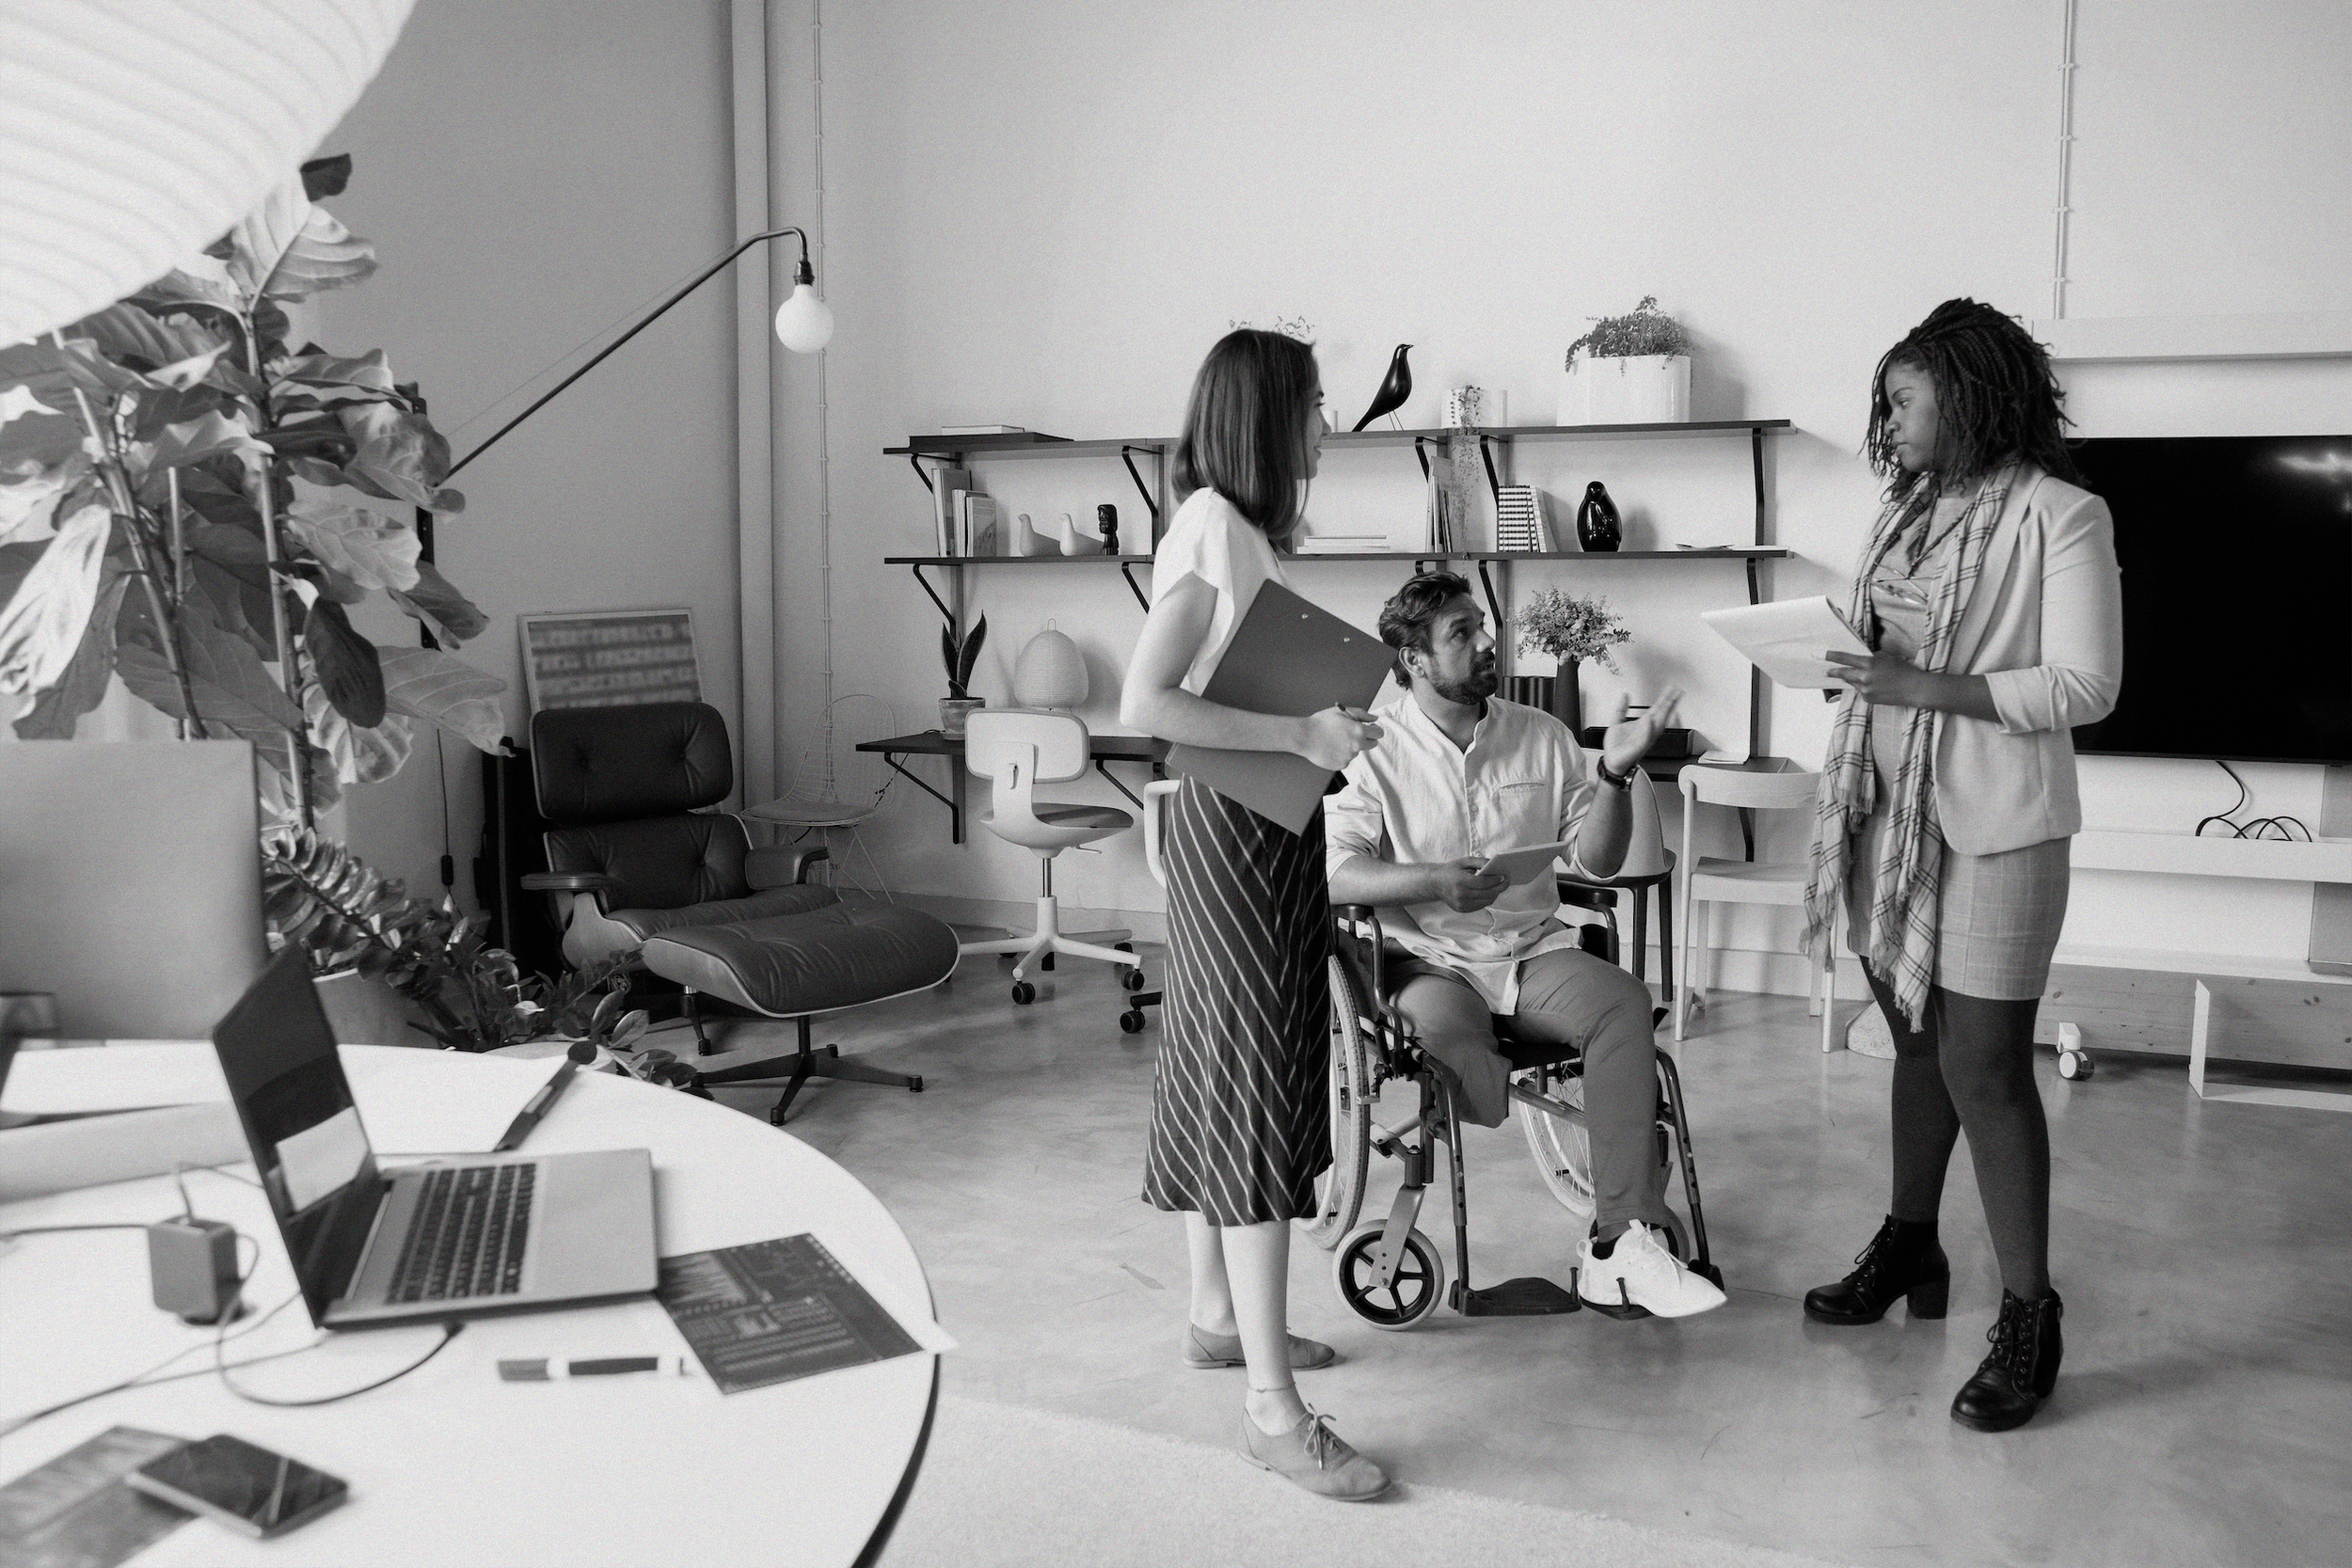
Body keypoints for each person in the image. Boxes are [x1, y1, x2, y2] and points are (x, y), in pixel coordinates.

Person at [1801, 297, 2122, 1433]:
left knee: (1983, 1063)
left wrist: (1922, 686)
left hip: (1997, 824)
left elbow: (2086, 686)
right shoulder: (1903, 518)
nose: (1885, 421)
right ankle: (1908, 1242)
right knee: (1915, 1041)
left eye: (1900, 397)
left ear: (1967, 390)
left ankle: (2030, 1313)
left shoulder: (2060, 515)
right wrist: (1845, 650)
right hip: (1884, 817)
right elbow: (1880, 657)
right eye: (1882, 402)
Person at [1120, 329, 1389, 1502]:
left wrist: (1316, 725)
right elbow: (1146, 699)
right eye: (1317, 406)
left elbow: (1224, 692)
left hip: (1256, 824)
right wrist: (1298, 733)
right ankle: (1273, 1412)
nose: (1328, 425)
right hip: (1236, 830)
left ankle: (1215, 1316)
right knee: (1256, 1090)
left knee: (1237, 1067)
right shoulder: (1210, 529)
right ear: (1266, 417)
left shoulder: (1237, 535)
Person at [1324, 572, 1725, 1320]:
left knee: (1621, 1002)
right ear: (1414, 659)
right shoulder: (1376, 751)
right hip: (1429, 958)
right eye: (1461, 634)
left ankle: (1621, 1242)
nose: (1486, 643)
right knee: (1456, 1044)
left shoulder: (1540, 735)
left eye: (1483, 625)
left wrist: (1614, 771)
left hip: (1528, 950)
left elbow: (1599, 861)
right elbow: (1336, 869)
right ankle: (1563, 1118)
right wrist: (1433, 879)